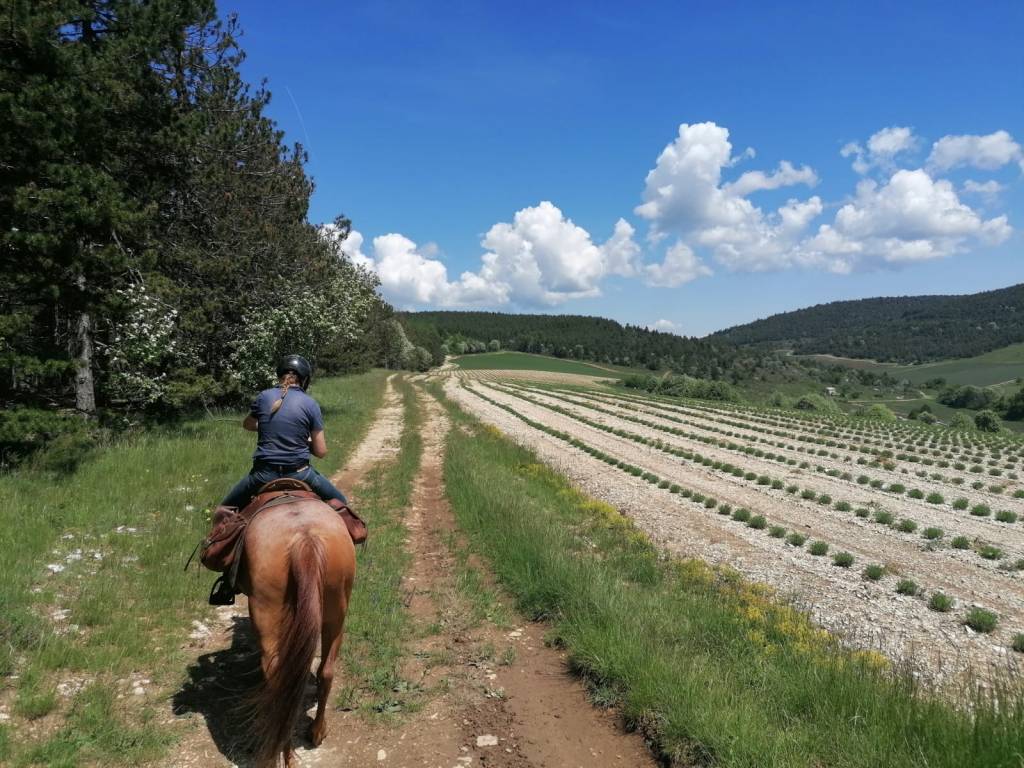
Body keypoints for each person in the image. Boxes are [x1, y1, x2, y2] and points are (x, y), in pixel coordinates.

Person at [221, 353, 348, 510]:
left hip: (263, 475)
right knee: (341, 501)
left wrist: (269, 427)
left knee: (225, 509)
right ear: (305, 379)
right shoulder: (311, 403)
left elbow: (247, 424)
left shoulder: (263, 397)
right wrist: (304, 441)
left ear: (279, 375)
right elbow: (321, 451)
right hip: (300, 473)